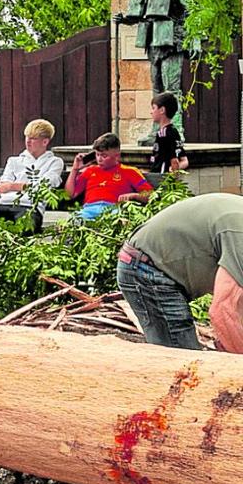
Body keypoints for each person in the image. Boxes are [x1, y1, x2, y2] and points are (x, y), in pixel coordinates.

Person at [118, 194, 243, 353]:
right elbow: (222, 311)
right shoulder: (240, 236)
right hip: (147, 268)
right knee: (182, 360)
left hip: (154, 263)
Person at [114, 0, 192, 138]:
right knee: (157, 89)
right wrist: (125, 19)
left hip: (171, 41)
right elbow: (142, 12)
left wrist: (195, 39)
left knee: (171, 88)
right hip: (153, 41)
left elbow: (191, 10)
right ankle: (157, 129)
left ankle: (176, 130)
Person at [0, 118, 64, 232]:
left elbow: (42, 187)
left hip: (31, 208)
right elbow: (1, 187)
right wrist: (22, 186)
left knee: (23, 227)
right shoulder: (13, 161)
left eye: (33, 138)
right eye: (27, 137)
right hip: (4, 205)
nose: (28, 141)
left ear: (45, 142)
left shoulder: (55, 162)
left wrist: (12, 186)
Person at [64, 132, 153, 222]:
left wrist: (134, 196)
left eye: (104, 156)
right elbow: (70, 194)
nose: (99, 159)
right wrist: (75, 169)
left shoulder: (130, 172)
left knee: (120, 221)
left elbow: (150, 194)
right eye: (97, 154)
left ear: (117, 156)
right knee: (72, 221)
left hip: (114, 209)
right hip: (89, 209)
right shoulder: (90, 170)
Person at [148, 92, 189, 175]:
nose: (151, 112)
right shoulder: (173, 131)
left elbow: (173, 159)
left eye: (153, 108)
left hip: (161, 176)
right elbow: (184, 161)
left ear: (162, 110)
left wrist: (172, 171)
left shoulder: (163, 134)